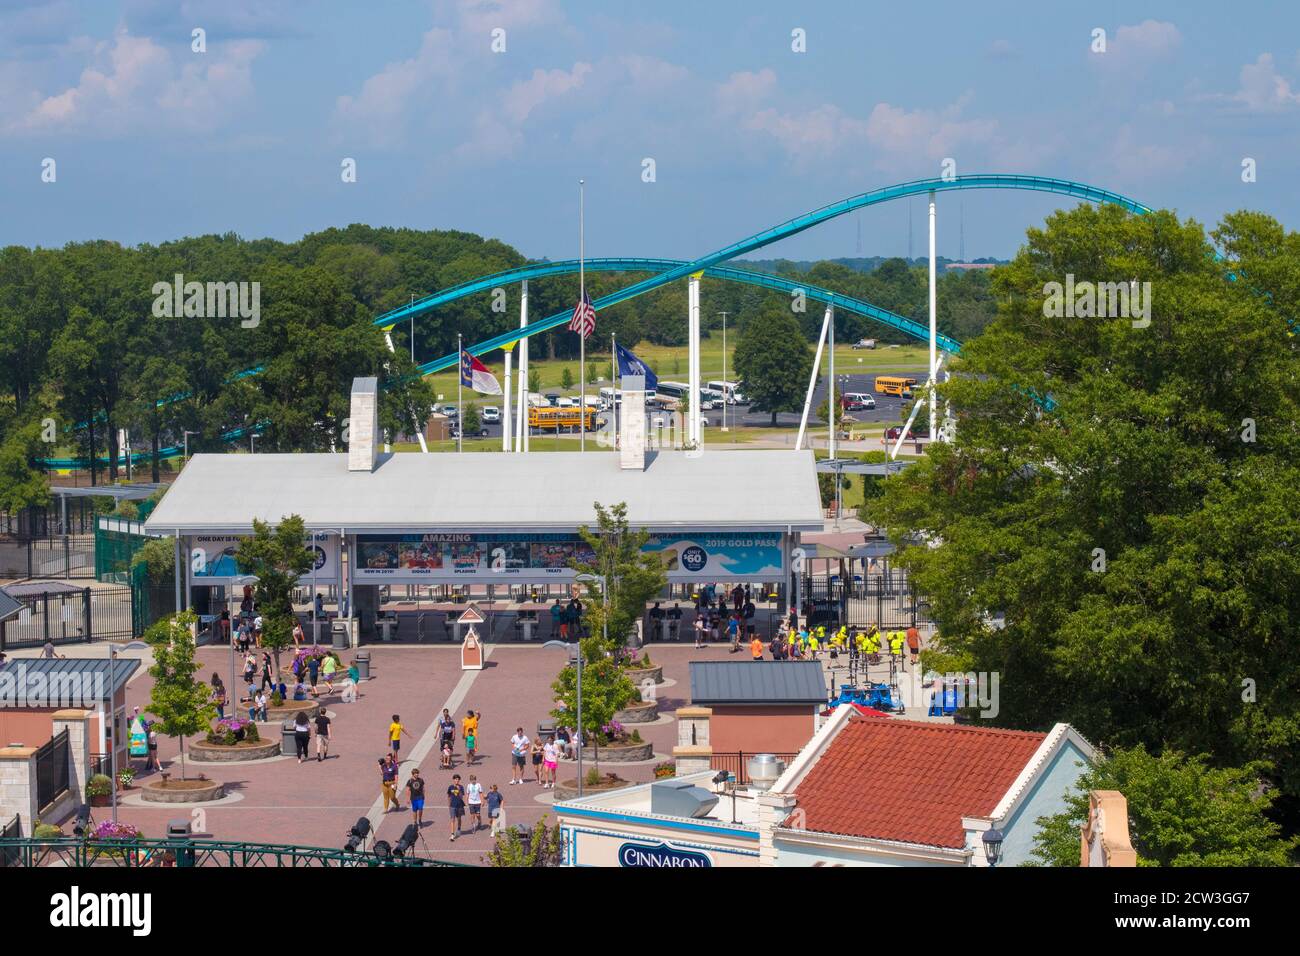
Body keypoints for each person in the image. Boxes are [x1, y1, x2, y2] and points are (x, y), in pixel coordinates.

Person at [446, 774, 466, 841]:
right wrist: (449, 804)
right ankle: (452, 834)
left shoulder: (461, 787)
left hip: (459, 805)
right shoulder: (450, 787)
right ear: (453, 780)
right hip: (452, 806)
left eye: (458, 779)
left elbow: (461, 796)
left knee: (459, 818)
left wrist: (459, 790)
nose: (457, 780)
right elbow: (448, 796)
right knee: (452, 819)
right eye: (455, 779)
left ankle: (459, 829)